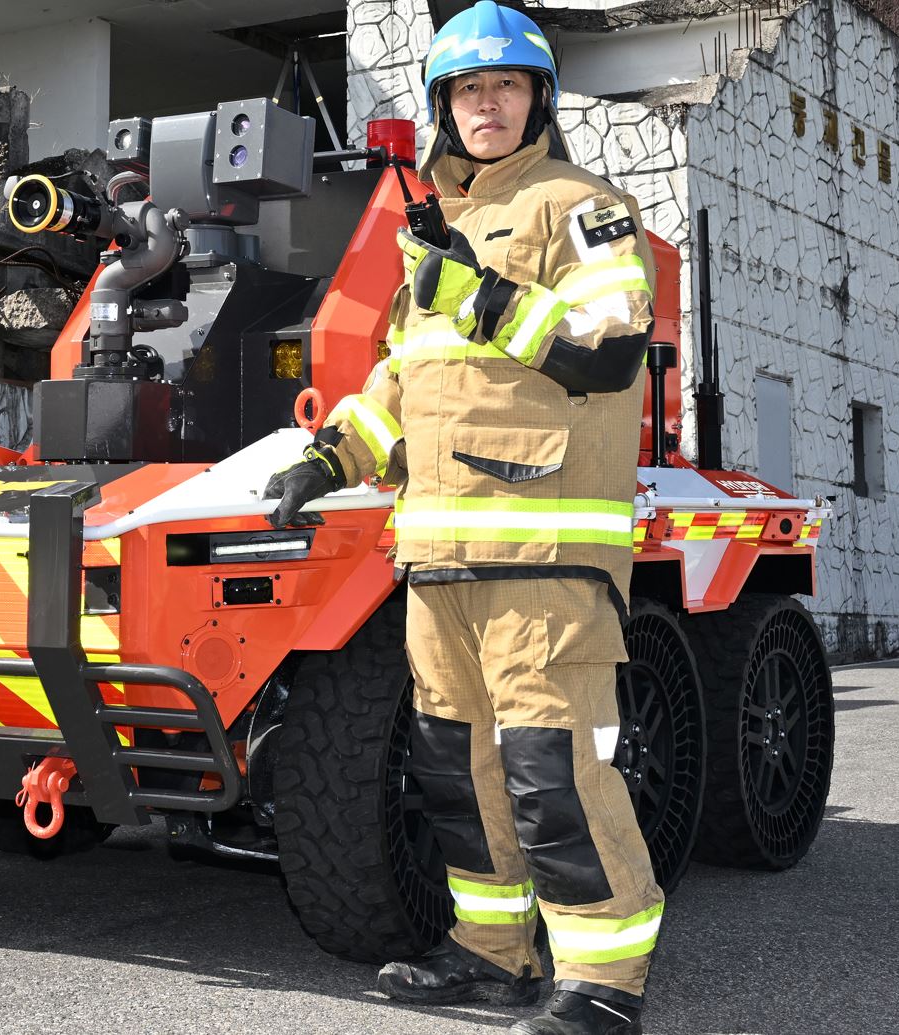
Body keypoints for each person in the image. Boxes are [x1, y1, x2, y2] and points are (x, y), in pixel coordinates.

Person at [262, 4, 663, 1033]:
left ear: (540, 98)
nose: (487, 106)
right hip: (438, 554)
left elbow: (606, 347)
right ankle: (492, 954)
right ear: (444, 106)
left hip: (546, 550)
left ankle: (602, 984)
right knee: (457, 770)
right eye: (467, 90)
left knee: (553, 773)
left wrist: (481, 298)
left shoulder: (582, 206)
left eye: (506, 86)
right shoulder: (442, 235)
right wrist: (329, 455)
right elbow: (413, 384)